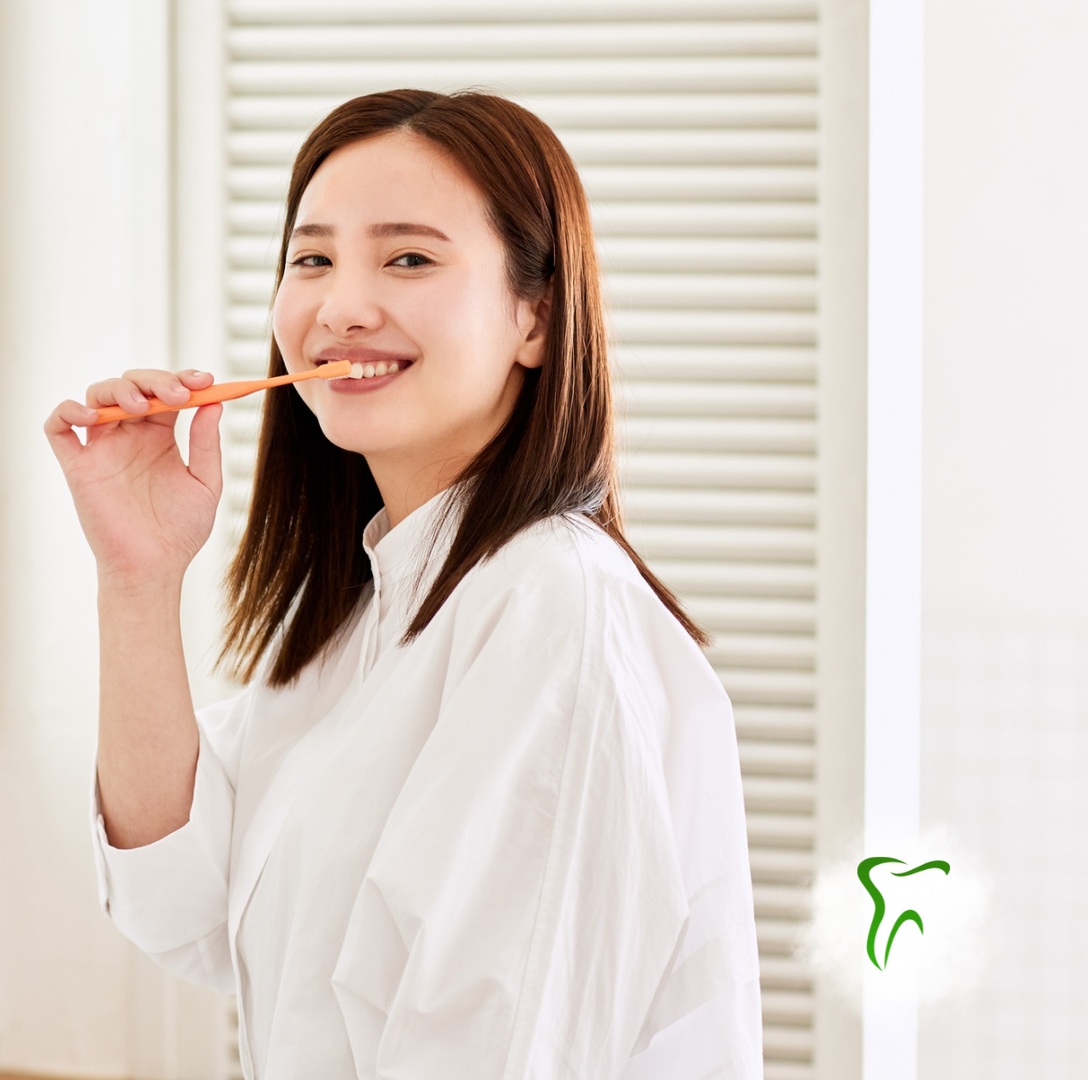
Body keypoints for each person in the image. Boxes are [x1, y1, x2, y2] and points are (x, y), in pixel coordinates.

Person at [43, 89, 763, 1079]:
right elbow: (179, 902)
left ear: (537, 319)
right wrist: (136, 576)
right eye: (312, 258)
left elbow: (496, 1048)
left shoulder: (551, 607)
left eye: (410, 257)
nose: (340, 307)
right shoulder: (371, 611)